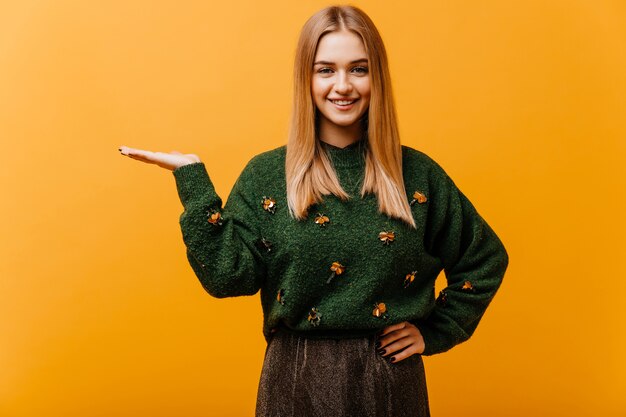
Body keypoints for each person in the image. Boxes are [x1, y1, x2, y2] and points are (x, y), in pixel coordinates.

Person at [119, 5, 508, 417]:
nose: (343, 85)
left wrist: (435, 330)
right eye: (326, 70)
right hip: (295, 379)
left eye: (358, 69)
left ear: (378, 77)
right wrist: (193, 180)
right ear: (306, 78)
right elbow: (226, 276)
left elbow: (484, 258)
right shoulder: (266, 175)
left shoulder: (417, 175)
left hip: (390, 382)